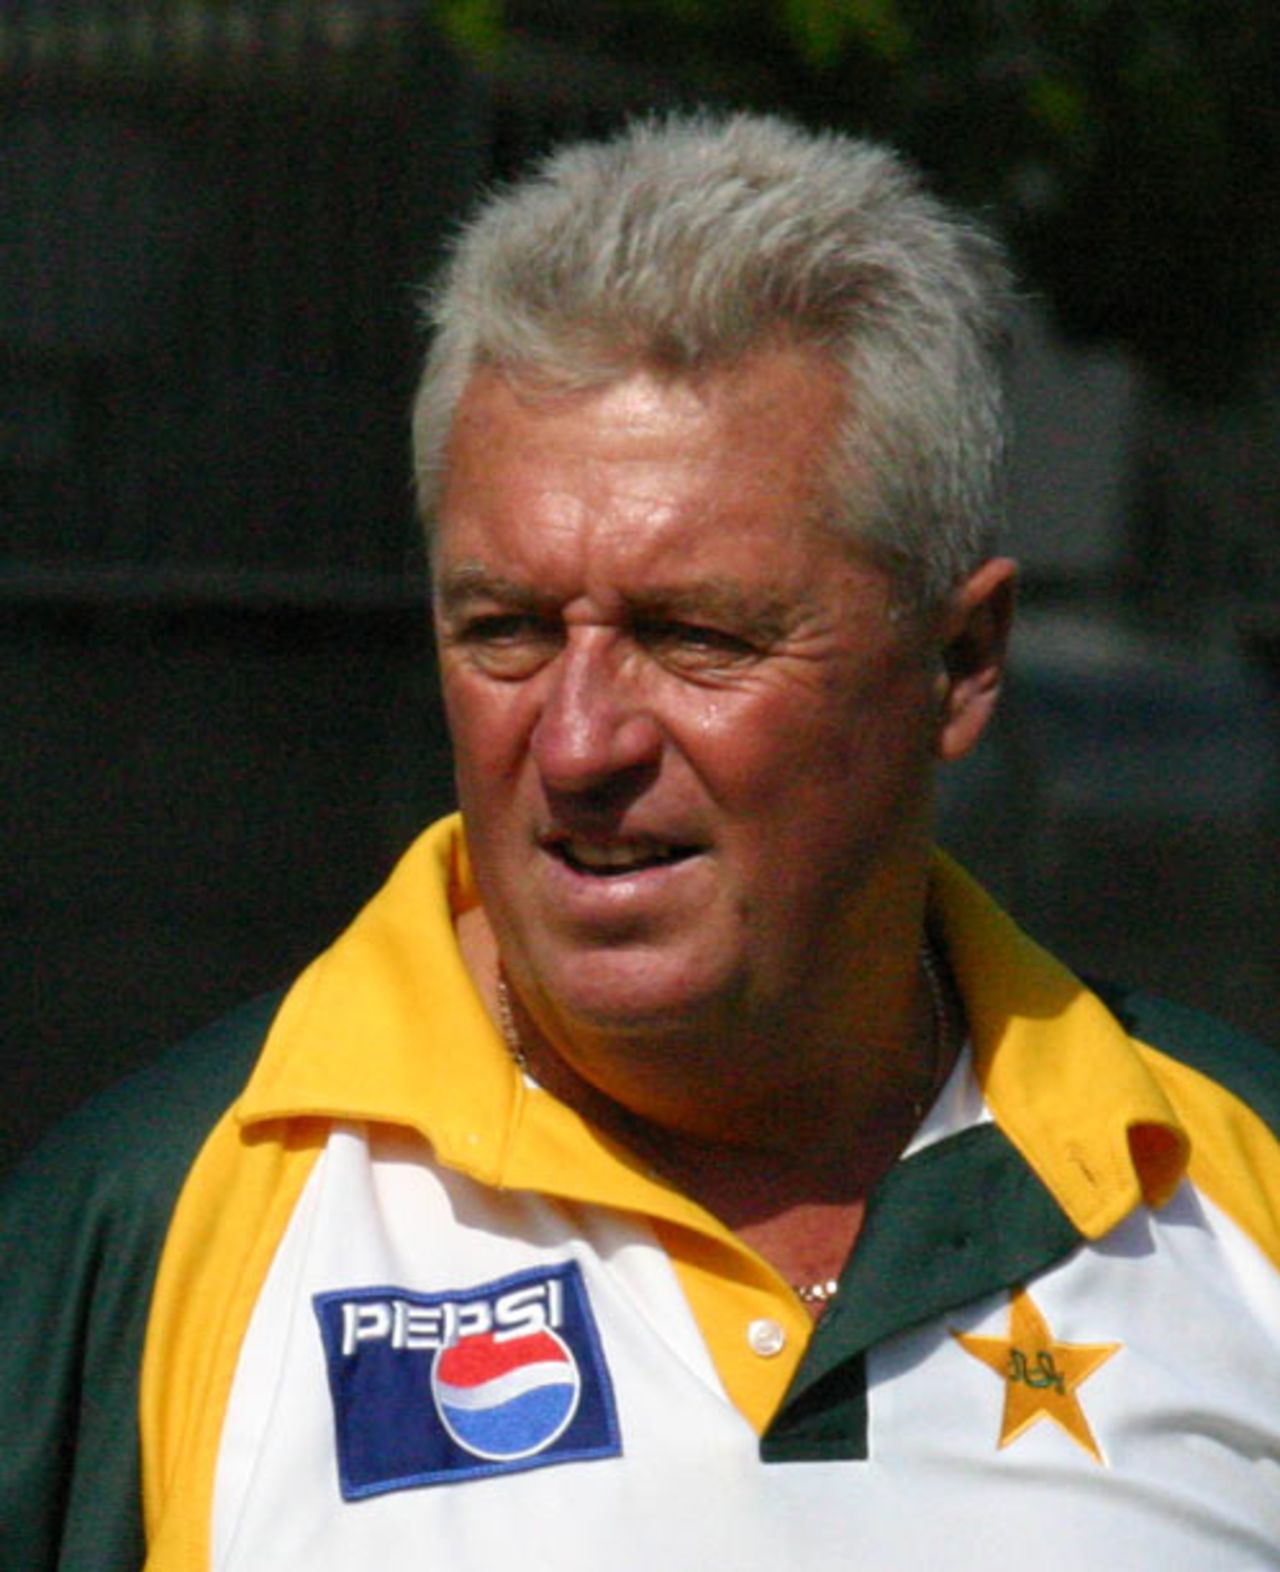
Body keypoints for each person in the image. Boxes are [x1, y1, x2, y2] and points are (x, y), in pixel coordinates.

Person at [4, 111, 1279, 1571]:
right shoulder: (145, 1235)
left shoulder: (1230, 1188)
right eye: (507, 631)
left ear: (960, 663)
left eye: (695, 636)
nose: (577, 740)